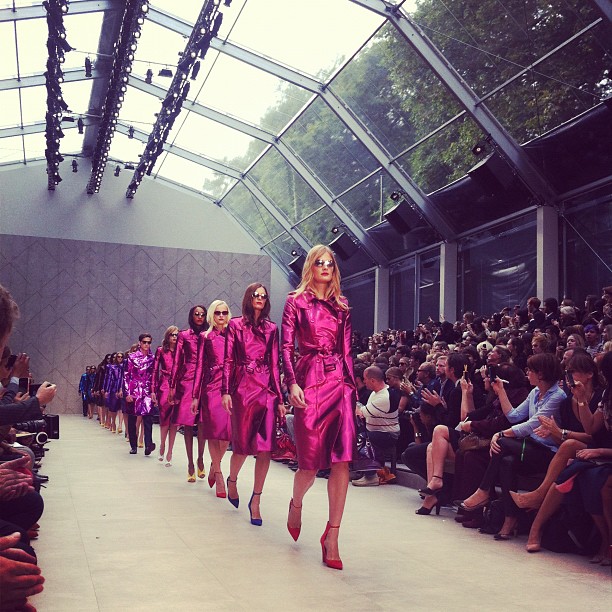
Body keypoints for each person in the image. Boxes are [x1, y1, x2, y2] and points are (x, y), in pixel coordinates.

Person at [281, 245, 356, 570]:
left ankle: (332, 537)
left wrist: (352, 389)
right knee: (309, 465)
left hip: (339, 383)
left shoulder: (342, 306)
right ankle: (296, 503)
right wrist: (292, 384)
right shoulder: (295, 302)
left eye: (330, 263)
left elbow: (347, 350)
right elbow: (286, 347)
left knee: (342, 460)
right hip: (309, 381)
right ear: (310, 267)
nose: (325, 267)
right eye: (319, 262)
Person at [459, 353, 566, 539]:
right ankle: (510, 518)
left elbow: (530, 425)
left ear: (541, 373)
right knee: (506, 462)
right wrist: (501, 391)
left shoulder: (557, 396)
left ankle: (484, 491)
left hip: (549, 452)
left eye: (530, 370)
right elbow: (514, 416)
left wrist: (500, 434)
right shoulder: (535, 392)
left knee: (501, 443)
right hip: (531, 446)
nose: (527, 373)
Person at [222, 283, 283, 526]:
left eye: (264, 296)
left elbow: (275, 364)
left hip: (266, 389)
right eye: (256, 295)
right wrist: (225, 391)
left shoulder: (272, 329)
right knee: (242, 447)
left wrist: (280, 398)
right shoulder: (235, 325)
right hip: (243, 389)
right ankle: (232, 480)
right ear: (249, 298)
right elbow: (228, 360)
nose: (260, 298)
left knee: (265, 448)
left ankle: (256, 500)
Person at [192, 300, 232, 498]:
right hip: (211, 389)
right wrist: (195, 396)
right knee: (213, 433)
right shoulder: (205, 337)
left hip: (230, 388)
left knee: (226, 435)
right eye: (217, 313)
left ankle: (214, 465)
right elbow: (199, 366)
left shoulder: (234, 335)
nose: (221, 316)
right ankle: (219, 474)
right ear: (211, 315)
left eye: (224, 312)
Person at [170, 306, 208, 482]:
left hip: (205, 379)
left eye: (202, 314)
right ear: (191, 316)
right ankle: (190, 463)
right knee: (187, 423)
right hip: (187, 380)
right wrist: (172, 385)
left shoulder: (208, 334)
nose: (199, 317)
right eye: (196, 314)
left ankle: (200, 459)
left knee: (202, 422)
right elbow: (177, 361)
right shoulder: (184, 335)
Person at [124, 333, 155, 456]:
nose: (146, 344)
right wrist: (127, 393)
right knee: (132, 419)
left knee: (148, 418)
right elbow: (126, 376)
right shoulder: (132, 357)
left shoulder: (153, 358)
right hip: (134, 391)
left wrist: (154, 392)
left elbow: (154, 377)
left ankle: (148, 445)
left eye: (149, 342)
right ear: (140, 343)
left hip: (147, 391)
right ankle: (133, 445)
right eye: (144, 342)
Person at [151, 326, 179, 466]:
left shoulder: (182, 351)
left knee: (175, 420)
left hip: (178, 387)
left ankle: (170, 451)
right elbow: (154, 371)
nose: (174, 337)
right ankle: (162, 444)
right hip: (164, 386)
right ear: (167, 336)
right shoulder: (161, 350)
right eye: (172, 334)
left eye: (176, 335)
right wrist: (152, 390)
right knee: (164, 418)